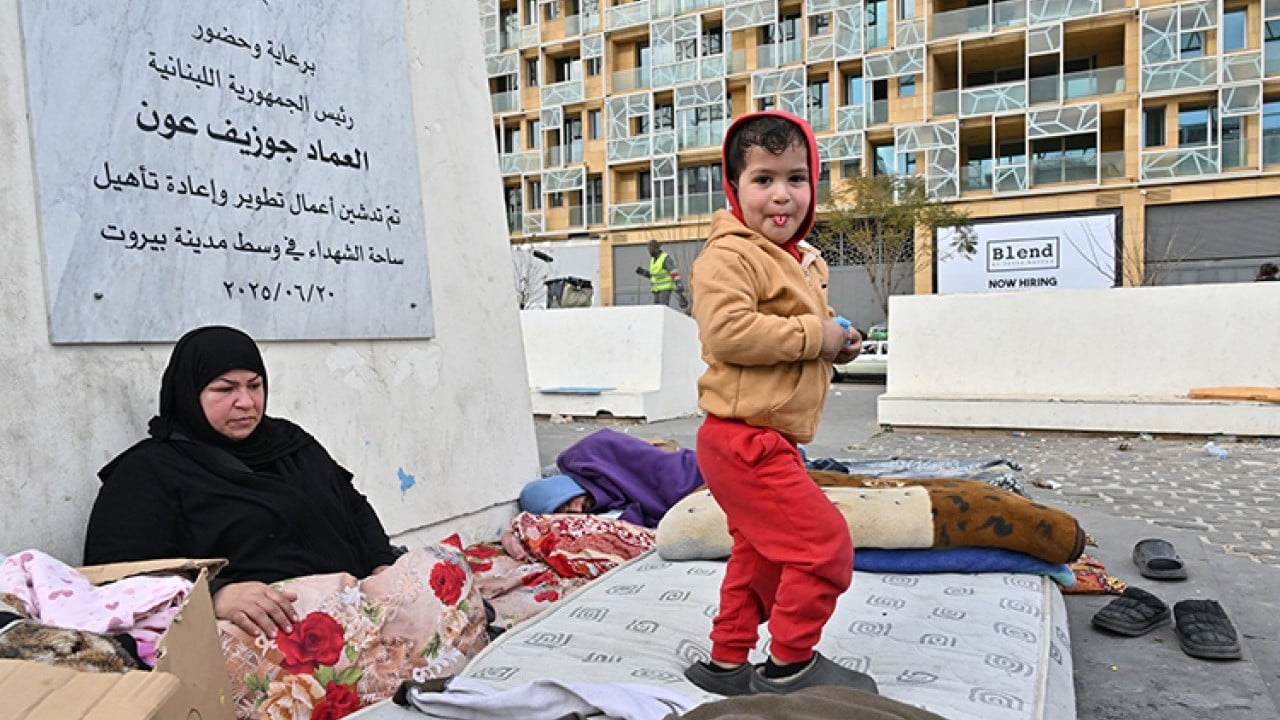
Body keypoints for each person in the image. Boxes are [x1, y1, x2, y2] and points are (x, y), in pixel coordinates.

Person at [84, 326, 488, 716]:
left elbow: (353, 507)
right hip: (267, 634)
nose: (246, 402)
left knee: (441, 567)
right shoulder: (147, 473)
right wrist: (215, 595)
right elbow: (117, 577)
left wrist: (384, 563)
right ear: (189, 394)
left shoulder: (290, 445)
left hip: (359, 610)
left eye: (254, 386)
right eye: (225, 389)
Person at [681, 110, 874, 697]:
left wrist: (837, 346)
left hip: (765, 438)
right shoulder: (728, 257)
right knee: (825, 548)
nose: (781, 195)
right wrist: (819, 336)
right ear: (734, 189)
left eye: (796, 177)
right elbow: (730, 333)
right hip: (743, 440)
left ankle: (725, 662)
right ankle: (791, 665)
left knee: (759, 556)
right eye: (763, 179)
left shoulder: (798, 257)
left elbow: (798, 334)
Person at [501, 427, 705, 559]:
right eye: (565, 512)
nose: (576, 509)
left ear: (564, 488)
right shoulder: (604, 502)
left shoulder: (584, 459)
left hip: (688, 471)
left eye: (567, 502)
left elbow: (638, 458)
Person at [635, 239, 690, 309]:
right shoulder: (653, 260)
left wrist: (678, 283)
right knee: (657, 310)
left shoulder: (665, 258)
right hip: (656, 290)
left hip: (665, 288)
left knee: (662, 308)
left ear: (655, 248)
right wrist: (644, 273)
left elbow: (673, 271)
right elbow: (654, 276)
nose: (649, 251)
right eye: (648, 249)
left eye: (650, 249)